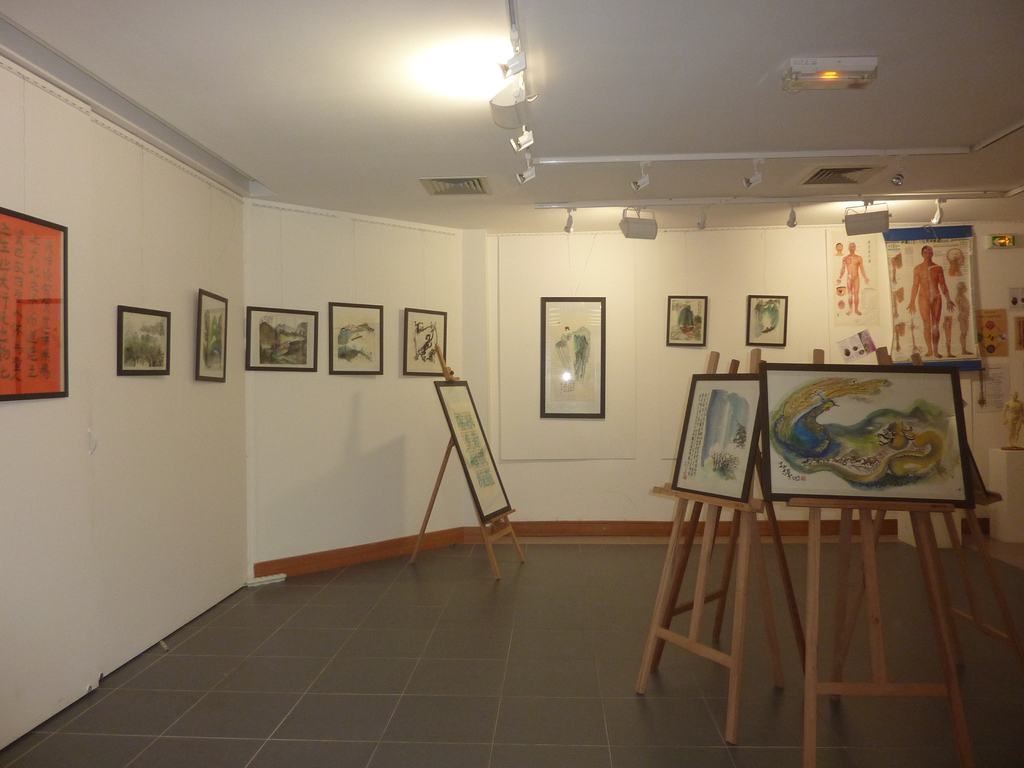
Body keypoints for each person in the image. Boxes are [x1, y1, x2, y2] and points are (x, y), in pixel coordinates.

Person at [907, 245, 954, 358]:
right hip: (923, 297)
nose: (928, 255)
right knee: (927, 325)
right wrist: (912, 301)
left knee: (935, 326)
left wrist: (948, 299)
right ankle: (929, 350)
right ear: (922, 254)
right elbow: (915, 285)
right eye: (926, 253)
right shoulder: (917, 268)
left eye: (930, 253)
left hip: (936, 297)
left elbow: (942, 285)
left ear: (932, 254)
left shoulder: (938, 268)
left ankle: (936, 350)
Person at [838, 242, 869, 315]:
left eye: (853, 246)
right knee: (850, 294)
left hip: (856, 278)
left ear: (855, 248)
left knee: (856, 294)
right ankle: (850, 310)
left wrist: (865, 277)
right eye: (850, 247)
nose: (852, 248)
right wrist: (840, 278)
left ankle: (856, 310)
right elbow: (843, 268)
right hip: (849, 278)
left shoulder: (859, 258)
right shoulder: (845, 258)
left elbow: (862, 268)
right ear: (848, 248)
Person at [955, 282, 973, 355]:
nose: (964, 289)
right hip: (963, 317)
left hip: (966, 317)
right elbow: (959, 307)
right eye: (963, 287)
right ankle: (963, 350)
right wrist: (963, 314)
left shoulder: (963, 296)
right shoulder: (959, 297)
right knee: (963, 333)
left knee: (965, 334)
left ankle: (964, 349)